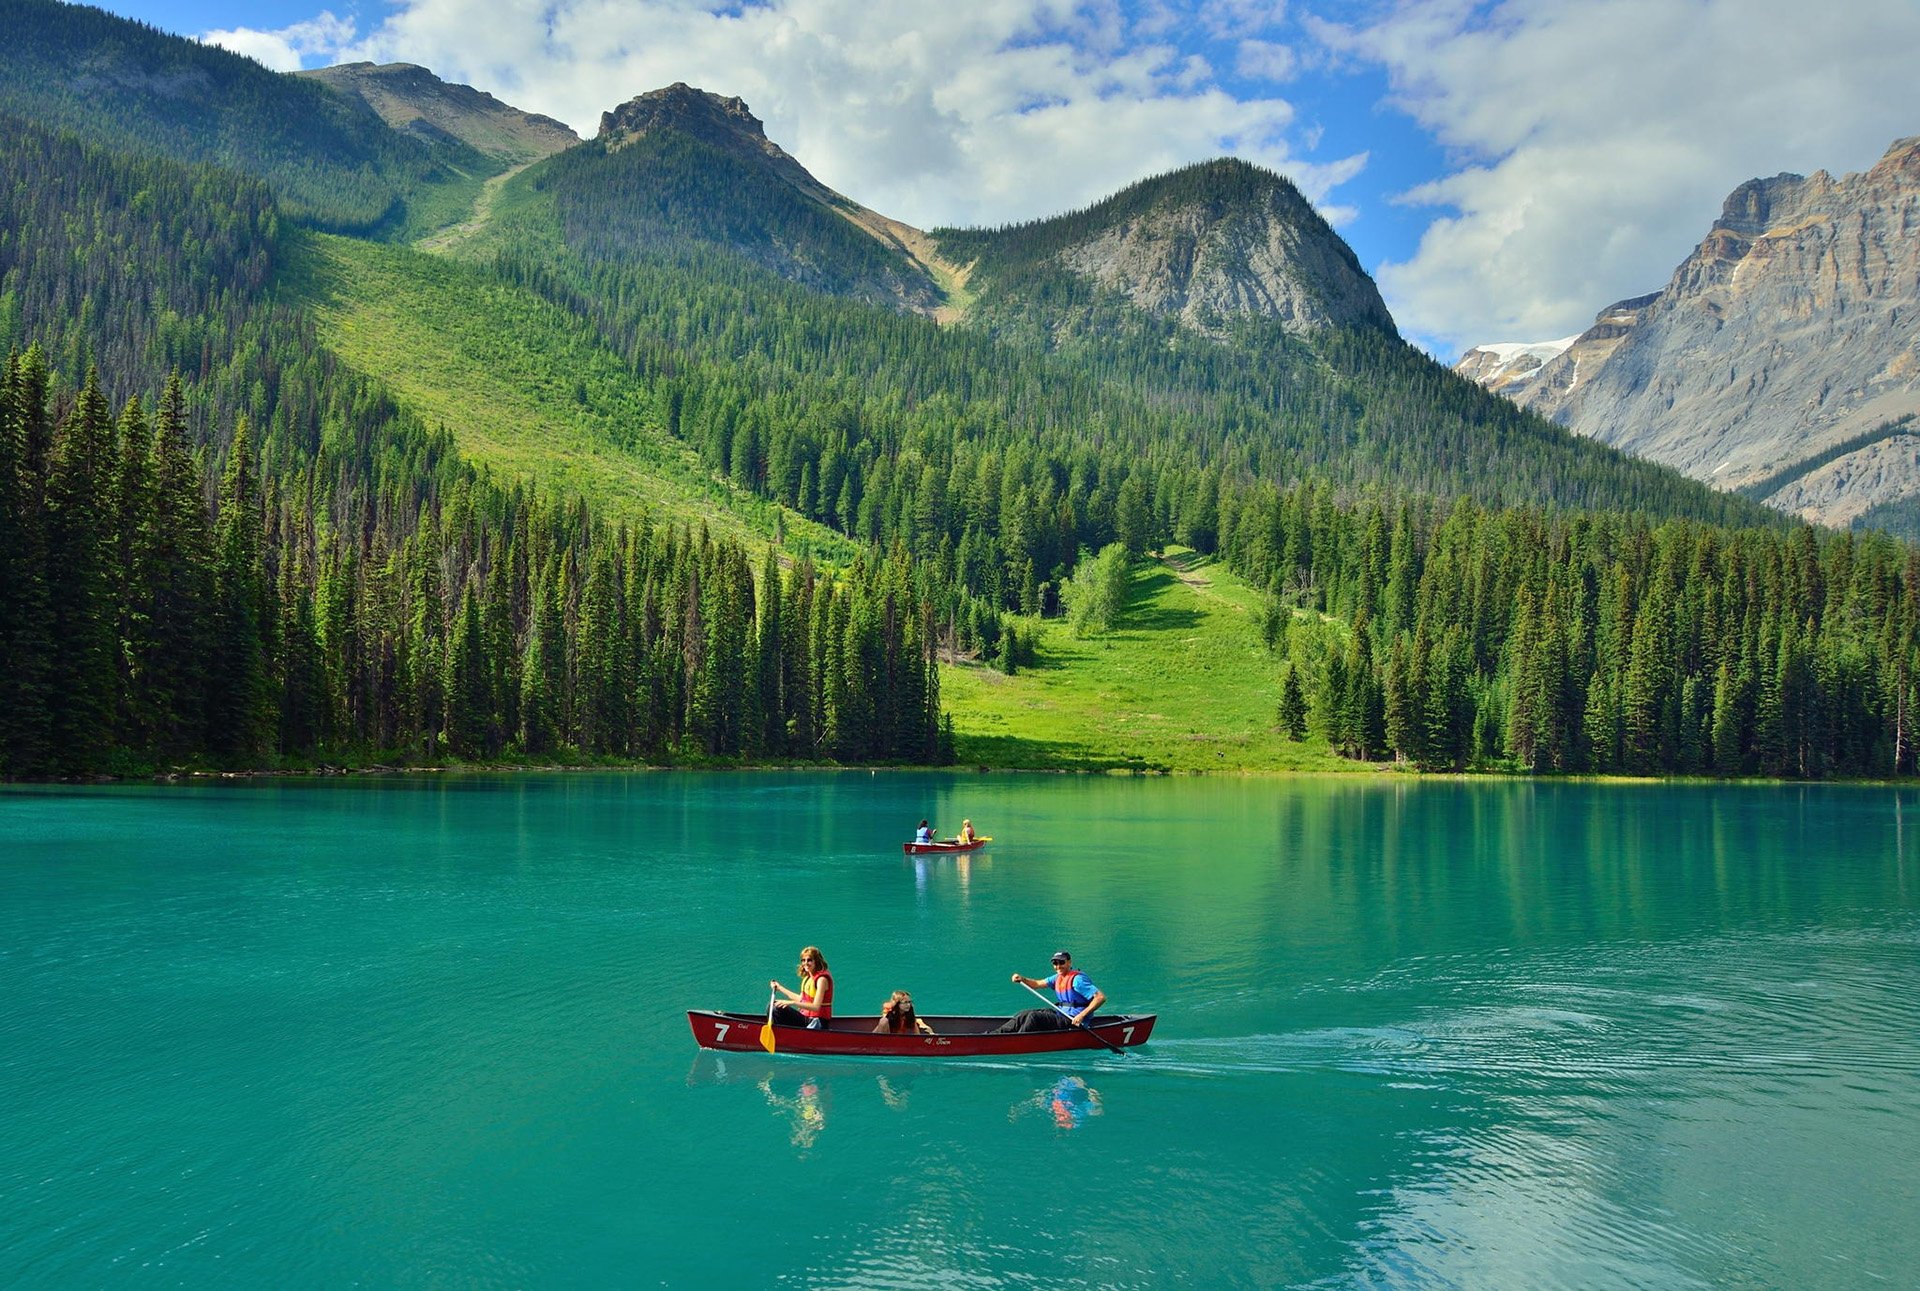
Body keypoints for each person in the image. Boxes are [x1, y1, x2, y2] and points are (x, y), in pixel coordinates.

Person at [996, 950, 1106, 1033]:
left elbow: (1100, 998)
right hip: (1061, 1014)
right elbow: (1037, 984)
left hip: (1073, 1020)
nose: (1058, 966)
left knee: (1034, 1017)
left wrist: (1081, 1016)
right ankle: (996, 1035)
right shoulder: (1057, 977)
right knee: (1024, 1014)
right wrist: (1022, 979)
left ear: (1069, 963)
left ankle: (1016, 1041)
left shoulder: (1078, 980)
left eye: (1061, 962)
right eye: (1055, 963)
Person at [770, 945, 833, 1029]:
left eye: (809, 960)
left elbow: (816, 1007)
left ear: (816, 961)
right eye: (803, 960)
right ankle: (779, 1032)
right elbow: (801, 999)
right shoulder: (808, 978)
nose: (805, 963)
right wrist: (780, 988)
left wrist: (791, 1003)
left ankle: (782, 1034)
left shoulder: (821, 980)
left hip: (817, 1021)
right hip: (806, 1018)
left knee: (775, 1009)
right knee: (772, 1005)